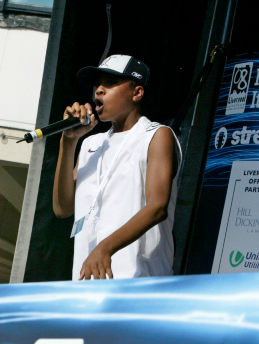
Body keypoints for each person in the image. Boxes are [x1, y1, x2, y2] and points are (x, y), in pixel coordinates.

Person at [52, 55, 182, 280]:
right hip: (86, 282)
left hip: (138, 283)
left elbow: (157, 207)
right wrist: (68, 141)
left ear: (137, 93)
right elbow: (62, 208)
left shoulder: (155, 136)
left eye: (110, 83)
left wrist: (106, 247)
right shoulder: (91, 143)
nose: (99, 90)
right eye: (97, 85)